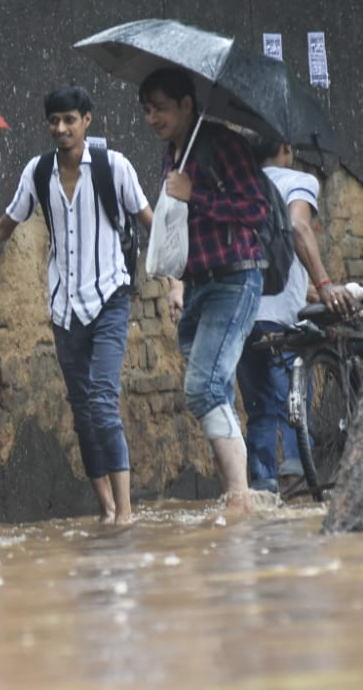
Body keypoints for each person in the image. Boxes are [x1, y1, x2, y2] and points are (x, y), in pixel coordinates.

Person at [0, 84, 155, 525]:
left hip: (109, 299)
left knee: (103, 403)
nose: (61, 128)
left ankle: (125, 513)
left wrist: (177, 277)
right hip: (65, 309)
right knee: (82, 410)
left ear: (88, 120)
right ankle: (105, 508)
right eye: (54, 121)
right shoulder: (39, 171)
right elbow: (5, 225)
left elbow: (151, 223)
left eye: (70, 120)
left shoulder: (113, 167)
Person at [138, 67, 271, 513]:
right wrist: (175, 283)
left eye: (160, 108)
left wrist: (197, 193)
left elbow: (256, 209)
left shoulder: (222, 144)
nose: (152, 118)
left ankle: (240, 499)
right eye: (147, 110)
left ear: (187, 105)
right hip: (196, 285)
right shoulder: (174, 155)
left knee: (205, 387)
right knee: (211, 388)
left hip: (235, 278)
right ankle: (242, 492)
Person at [236, 135, 358, 494]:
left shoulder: (237, 185)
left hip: (238, 312)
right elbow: (299, 228)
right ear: (285, 148)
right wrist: (324, 284)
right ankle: (296, 473)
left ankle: (263, 490)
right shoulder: (299, 181)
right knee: (292, 397)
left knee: (259, 407)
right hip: (279, 314)